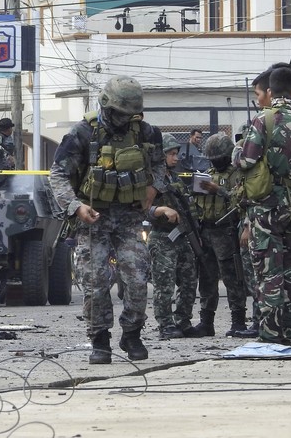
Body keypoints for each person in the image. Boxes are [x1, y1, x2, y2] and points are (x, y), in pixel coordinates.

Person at [49, 76, 166, 364]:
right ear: (107, 106)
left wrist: (154, 188)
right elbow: (58, 175)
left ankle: (132, 333)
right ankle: (100, 339)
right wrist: (75, 207)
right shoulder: (82, 134)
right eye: (122, 113)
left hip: (129, 216)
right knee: (95, 282)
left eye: (132, 114)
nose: (127, 119)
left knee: (138, 279)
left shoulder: (147, 133)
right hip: (94, 217)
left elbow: (160, 165)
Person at [236, 64, 291, 345]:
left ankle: (272, 333)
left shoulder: (263, 121)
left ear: (271, 91)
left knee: (268, 271)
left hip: (265, 209)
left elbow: (246, 162)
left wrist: (237, 151)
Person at [193, 133, 253, 338]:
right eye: (212, 159)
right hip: (206, 229)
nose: (215, 162)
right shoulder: (207, 174)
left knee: (232, 277)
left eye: (218, 159)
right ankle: (206, 322)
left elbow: (241, 201)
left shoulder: (238, 175)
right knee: (207, 278)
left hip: (226, 231)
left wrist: (218, 191)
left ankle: (238, 321)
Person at [146, 134, 199, 339]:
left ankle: (183, 321)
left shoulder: (175, 179)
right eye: (172, 154)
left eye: (177, 154)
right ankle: (166, 324)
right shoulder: (152, 181)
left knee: (189, 279)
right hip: (162, 238)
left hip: (181, 237)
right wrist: (161, 210)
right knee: (164, 283)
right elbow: (143, 208)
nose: (176, 158)